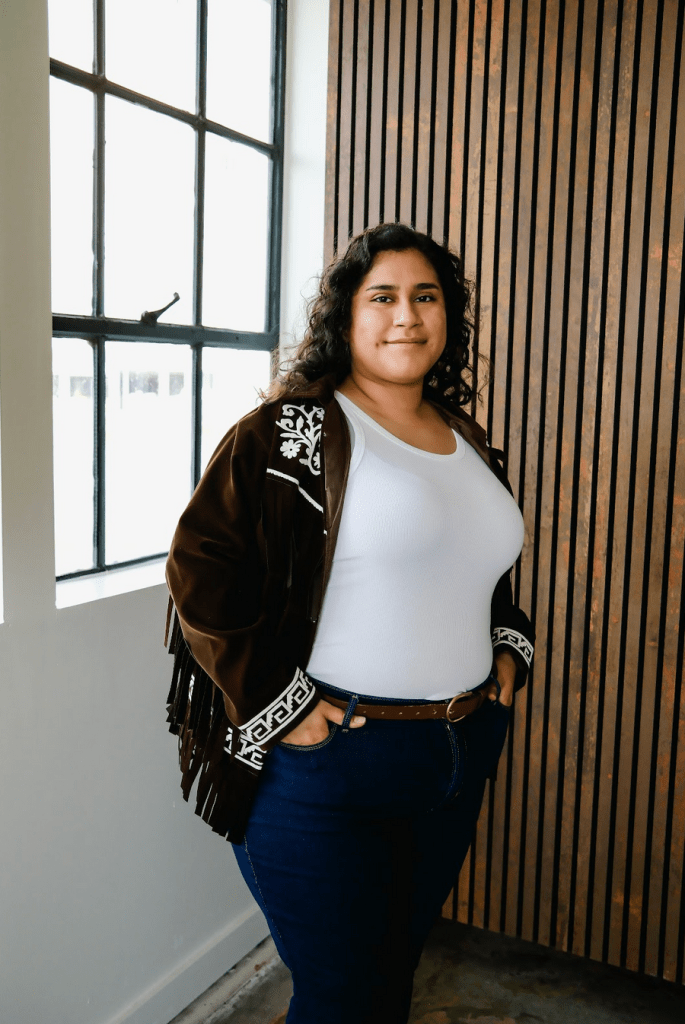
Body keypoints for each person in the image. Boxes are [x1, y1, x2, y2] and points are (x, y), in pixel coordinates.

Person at [164, 223, 535, 1024]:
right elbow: (200, 568)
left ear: (448, 318)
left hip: (454, 755)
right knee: (345, 1001)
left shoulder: (465, 439)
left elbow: (474, 568)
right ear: (345, 318)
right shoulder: (292, 432)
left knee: (387, 980)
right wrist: (281, 705)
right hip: (330, 764)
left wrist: (507, 650)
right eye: (383, 297)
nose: (406, 315)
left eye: (425, 297)